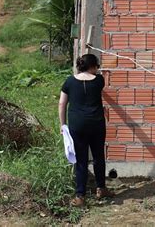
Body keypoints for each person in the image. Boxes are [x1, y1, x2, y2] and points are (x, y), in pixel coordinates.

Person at [58, 54, 113, 207]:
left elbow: (62, 104)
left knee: (81, 160)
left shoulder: (69, 81)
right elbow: (99, 76)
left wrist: (63, 125)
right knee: (98, 157)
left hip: (77, 125)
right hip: (96, 124)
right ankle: (101, 188)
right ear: (93, 66)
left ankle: (80, 196)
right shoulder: (99, 81)